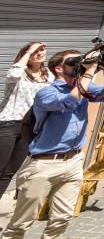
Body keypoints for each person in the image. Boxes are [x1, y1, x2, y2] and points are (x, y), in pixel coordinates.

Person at [1, 48, 104, 239]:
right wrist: (89, 71)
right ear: (58, 68)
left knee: (61, 219)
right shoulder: (46, 93)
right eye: (74, 61)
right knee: (22, 222)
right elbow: (70, 101)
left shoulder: (84, 87)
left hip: (73, 162)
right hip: (43, 164)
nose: (80, 63)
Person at [0, 42, 48, 198]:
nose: (40, 53)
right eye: (36, 51)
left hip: (30, 127)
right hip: (8, 123)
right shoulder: (20, 73)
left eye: (42, 50)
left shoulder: (49, 76)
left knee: (9, 172)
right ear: (26, 55)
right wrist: (29, 51)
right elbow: (13, 74)